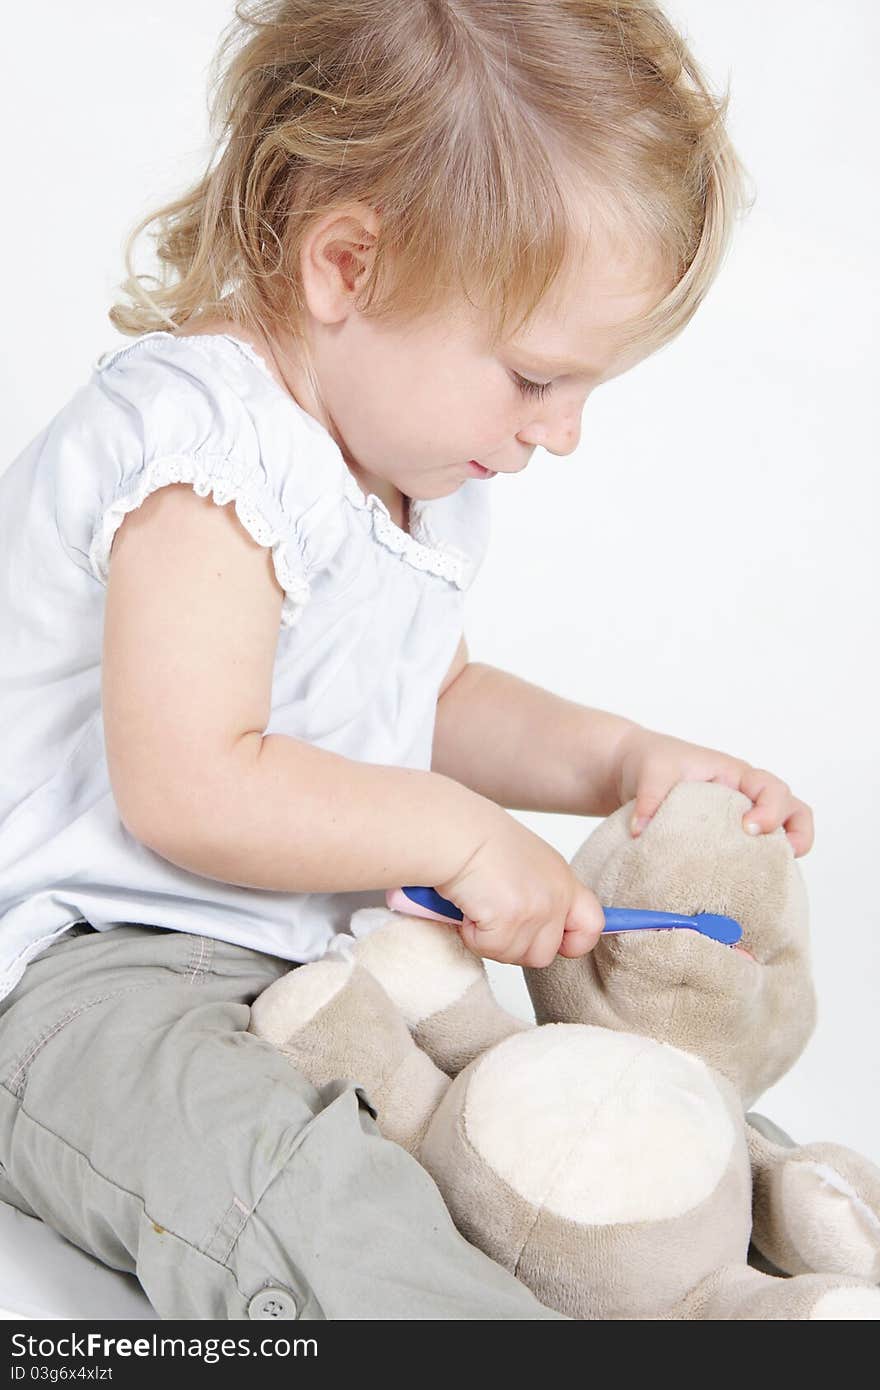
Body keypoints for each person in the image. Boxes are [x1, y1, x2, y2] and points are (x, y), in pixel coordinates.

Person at [0, 0, 814, 1320]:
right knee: (279, 1181)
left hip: (311, 952)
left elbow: (429, 699)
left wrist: (622, 760)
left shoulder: (412, 473)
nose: (564, 434)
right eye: (537, 376)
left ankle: (745, 1261)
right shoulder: (206, 456)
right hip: (87, 976)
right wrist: (458, 834)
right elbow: (192, 782)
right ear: (348, 267)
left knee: (544, 1118)